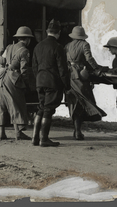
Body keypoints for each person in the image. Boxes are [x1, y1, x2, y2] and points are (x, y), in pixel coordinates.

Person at [65, 26, 109, 140]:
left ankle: (76, 130)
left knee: (74, 103)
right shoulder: (84, 44)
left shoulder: (67, 46)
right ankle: (78, 131)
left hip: (70, 76)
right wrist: (97, 68)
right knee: (83, 102)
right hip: (80, 76)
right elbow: (89, 58)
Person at [32, 19, 71, 147]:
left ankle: (35, 138)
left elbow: (34, 67)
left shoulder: (38, 46)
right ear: (58, 33)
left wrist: (38, 79)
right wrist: (67, 85)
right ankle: (44, 139)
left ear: (48, 32)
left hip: (40, 81)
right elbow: (62, 69)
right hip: (52, 82)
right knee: (48, 110)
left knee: (41, 108)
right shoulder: (58, 47)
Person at [0, 26, 34, 141]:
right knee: (17, 105)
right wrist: (26, 84)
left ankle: (1, 133)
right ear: (27, 39)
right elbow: (24, 70)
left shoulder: (9, 47)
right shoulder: (24, 51)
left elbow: (1, 61)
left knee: (2, 105)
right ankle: (19, 133)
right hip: (13, 79)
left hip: (2, 78)